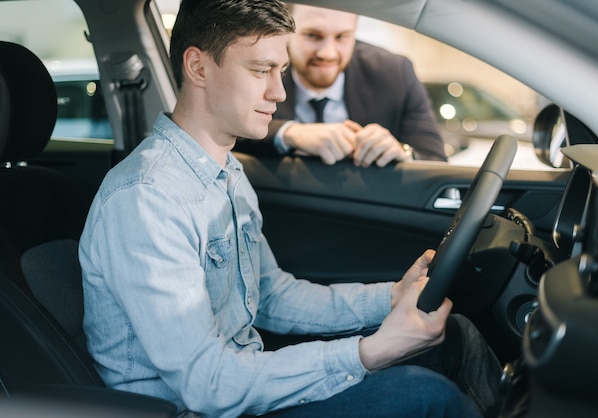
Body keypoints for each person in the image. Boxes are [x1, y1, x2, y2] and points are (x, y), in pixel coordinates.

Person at [79, 0, 502, 417]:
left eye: (280, 71)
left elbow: (272, 297)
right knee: (425, 395)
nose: (278, 92)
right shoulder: (147, 198)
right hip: (200, 408)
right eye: (261, 70)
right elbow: (207, 384)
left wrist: (390, 299)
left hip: (243, 385)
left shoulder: (225, 173)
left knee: (455, 337)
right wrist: (370, 352)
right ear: (198, 67)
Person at [235, 3, 447, 167]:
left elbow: (434, 160)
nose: (328, 53)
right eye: (312, 36)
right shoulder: (260, 69)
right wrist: (290, 134)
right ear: (286, 34)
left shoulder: (394, 73)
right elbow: (226, 128)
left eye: (342, 37)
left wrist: (401, 152)